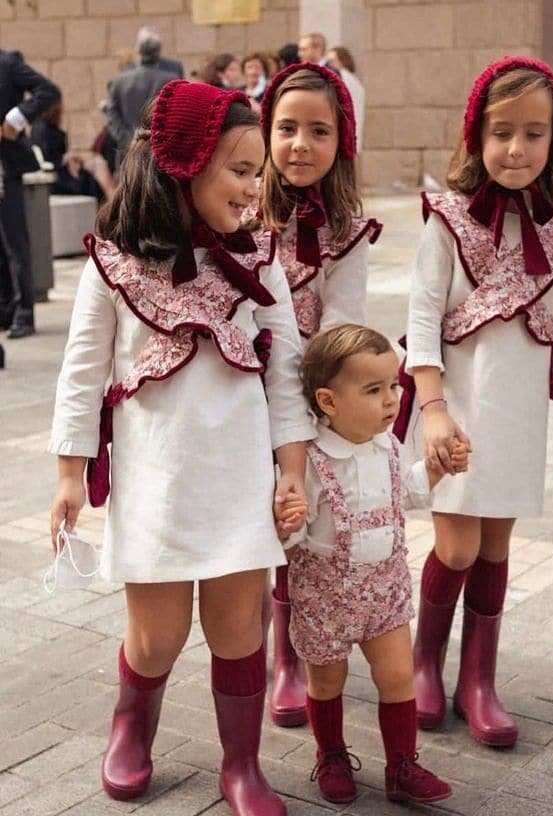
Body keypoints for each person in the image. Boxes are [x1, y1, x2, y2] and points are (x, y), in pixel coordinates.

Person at [48, 79, 314, 815]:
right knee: (157, 637)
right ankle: (131, 726)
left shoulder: (259, 262)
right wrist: (71, 475)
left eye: (257, 171)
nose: (253, 188)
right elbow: (79, 374)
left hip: (238, 486)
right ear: (183, 163)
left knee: (239, 629)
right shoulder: (115, 265)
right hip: (158, 487)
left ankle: (242, 764)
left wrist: (292, 470)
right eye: (238, 168)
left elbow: (287, 373)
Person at [398, 56, 553, 747]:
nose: (516, 149)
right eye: (501, 132)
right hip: (453, 405)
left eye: (534, 134)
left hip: (518, 411)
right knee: (455, 545)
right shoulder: (448, 219)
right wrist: (431, 411)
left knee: (495, 544)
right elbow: (422, 317)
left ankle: (478, 680)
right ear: (476, 137)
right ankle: (422, 663)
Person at [274, 324, 459, 805]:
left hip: (384, 593)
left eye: (394, 386)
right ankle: (331, 754)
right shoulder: (311, 462)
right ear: (329, 402)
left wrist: (435, 469)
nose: (391, 399)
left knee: (398, 676)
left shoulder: (389, 447)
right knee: (327, 680)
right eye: (374, 390)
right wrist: (285, 522)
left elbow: (410, 493)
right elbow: (292, 533)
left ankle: (402, 765)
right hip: (324, 599)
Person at [256, 61, 382, 727]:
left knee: (302, 528)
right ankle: (269, 658)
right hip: (245, 390)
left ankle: (293, 654)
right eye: (286, 128)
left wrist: (316, 403)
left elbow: (344, 322)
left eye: (318, 131)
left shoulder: (348, 230)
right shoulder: (243, 210)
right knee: (264, 526)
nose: (300, 144)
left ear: (342, 143)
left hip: (315, 394)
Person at [0, 48, 60, 338]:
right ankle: (5, 309)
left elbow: (48, 90)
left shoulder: (8, 62)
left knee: (14, 242)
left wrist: (17, 117)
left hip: (4, 165)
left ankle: (24, 312)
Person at [106, 32, 178, 166]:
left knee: (128, 185)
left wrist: (127, 140)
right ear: (158, 53)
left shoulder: (119, 81)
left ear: (138, 52)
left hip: (128, 150)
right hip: (160, 152)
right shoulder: (172, 81)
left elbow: (111, 114)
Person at [31, 100, 116, 201]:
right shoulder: (44, 130)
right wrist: (67, 158)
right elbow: (49, 156)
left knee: (98, 166)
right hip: (59, 177)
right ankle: (113, 200)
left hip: (61, 172)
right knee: (98, 167)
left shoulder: (40, 128)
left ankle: (113, 199)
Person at [325, 46, 365, 154]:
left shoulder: (342, 77)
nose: (329, 65)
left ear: (342, 61)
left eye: (332, 61)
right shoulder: (355, 80)